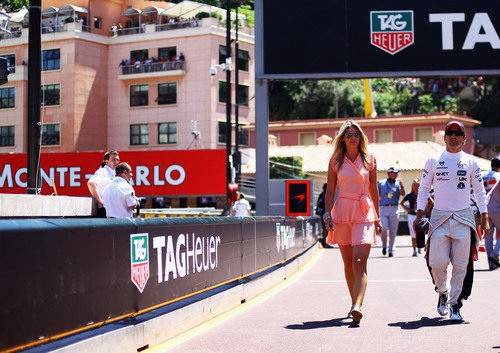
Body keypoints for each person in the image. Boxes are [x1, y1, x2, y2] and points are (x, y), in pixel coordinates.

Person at [414, 120, 489, 321]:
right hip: (439, 217)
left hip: (464, 218)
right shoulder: (433, 160)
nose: (453, 136)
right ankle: (442, 291)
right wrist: (419, 214)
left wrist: (485, 216)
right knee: (436, 262)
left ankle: (455, 304)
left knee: (461, 265)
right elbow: (423, 189)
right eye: (450, 132)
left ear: (464, 139)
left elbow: (480, 192)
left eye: (458, 133)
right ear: (445, 137)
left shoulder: (472, 162)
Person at [324, 120, 382, 325]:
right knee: (348, 263)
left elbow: (374, 189)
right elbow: (330, 191)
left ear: (361, 138)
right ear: (343, 138)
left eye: (356, 134)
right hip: (342, 212)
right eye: (349, 134)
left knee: (359, 261)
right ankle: (353, 302)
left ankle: (358, 306)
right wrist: (327, 214)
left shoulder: (370, 159)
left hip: (364, 211)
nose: (353, 138)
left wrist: (378, 216)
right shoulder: (335, 161)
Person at [378, 167, 406, 257]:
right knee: (384, 228)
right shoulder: (381, 183)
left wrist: (402, 185)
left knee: (393, 231)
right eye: (393, 173)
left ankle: (390, 249)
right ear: (389, 173)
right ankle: (384, 245)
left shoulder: (398, 184)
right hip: (383, 207)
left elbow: (403, 194)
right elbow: (376, 194)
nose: (395, 174)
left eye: (396, 173)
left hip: (394, 207)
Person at [87, 151, 120, 218]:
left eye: (117, 160)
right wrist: (101, 202)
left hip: (112, 210)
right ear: (106, 161)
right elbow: (91, 183)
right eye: (113, 160)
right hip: (104, 211)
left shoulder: (113, 173)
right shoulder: (103, 171)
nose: (116, 162)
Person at [483, 157, 500, 270]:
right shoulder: (498, 176)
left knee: (488, 236)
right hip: (497, 207)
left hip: (485, 208)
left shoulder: (483, 175)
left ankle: (491, 263)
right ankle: (494, 256)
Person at [400, 179, 419, 256]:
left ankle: (419, 246)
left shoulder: (422, 194)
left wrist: (426, 209)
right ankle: (414, 250)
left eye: (417, 185)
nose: (416, 187)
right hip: (411, 215)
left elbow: (431, 202)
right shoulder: (409, 195)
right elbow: (401, 203)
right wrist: (407, 209)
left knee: (420, 232)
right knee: (413, 232)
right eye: (414, 185)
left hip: (420, 215)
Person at [315, 183, 332, 248]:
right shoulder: (325, 195)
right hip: (324, 214)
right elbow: (320, 204)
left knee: (326, 228)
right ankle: (324, 242)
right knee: (325, 228)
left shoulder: (321, 195)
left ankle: (324, 241)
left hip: (322, 214)